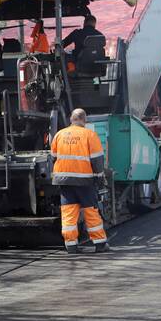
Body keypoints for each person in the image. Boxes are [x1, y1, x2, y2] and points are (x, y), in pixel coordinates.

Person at [50, 108, 109, 254]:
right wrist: (99, 177)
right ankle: (100, 244)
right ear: (85, 120)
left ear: (71, 119)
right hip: (84, 181)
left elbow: (53, 157)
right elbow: (97, 160)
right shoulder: (90, 135)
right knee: (91, 211)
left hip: (64, 181)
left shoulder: (59, 134)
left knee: (69, 212)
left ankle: (71, 245)